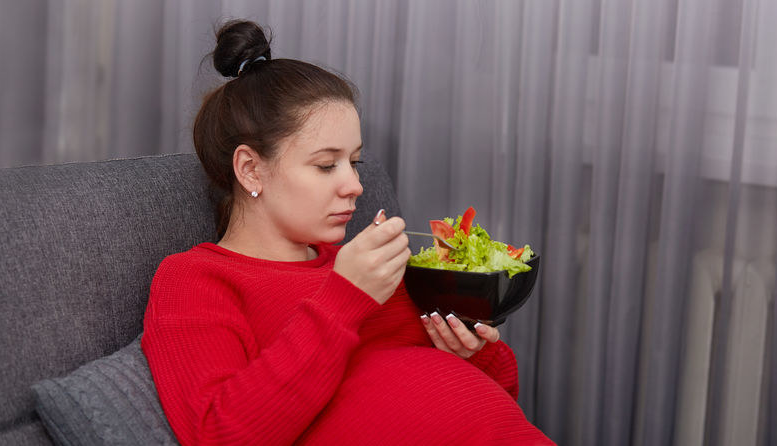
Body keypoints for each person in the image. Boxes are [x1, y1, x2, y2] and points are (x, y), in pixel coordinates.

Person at [141, 19, 554, 446]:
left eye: (353, 162)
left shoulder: (368, 270)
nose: (355, 185)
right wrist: (344, 297)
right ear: (250, 168)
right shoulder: (195, 280)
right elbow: (221, 435)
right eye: (326, 165)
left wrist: (473, 351)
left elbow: (501, 396)